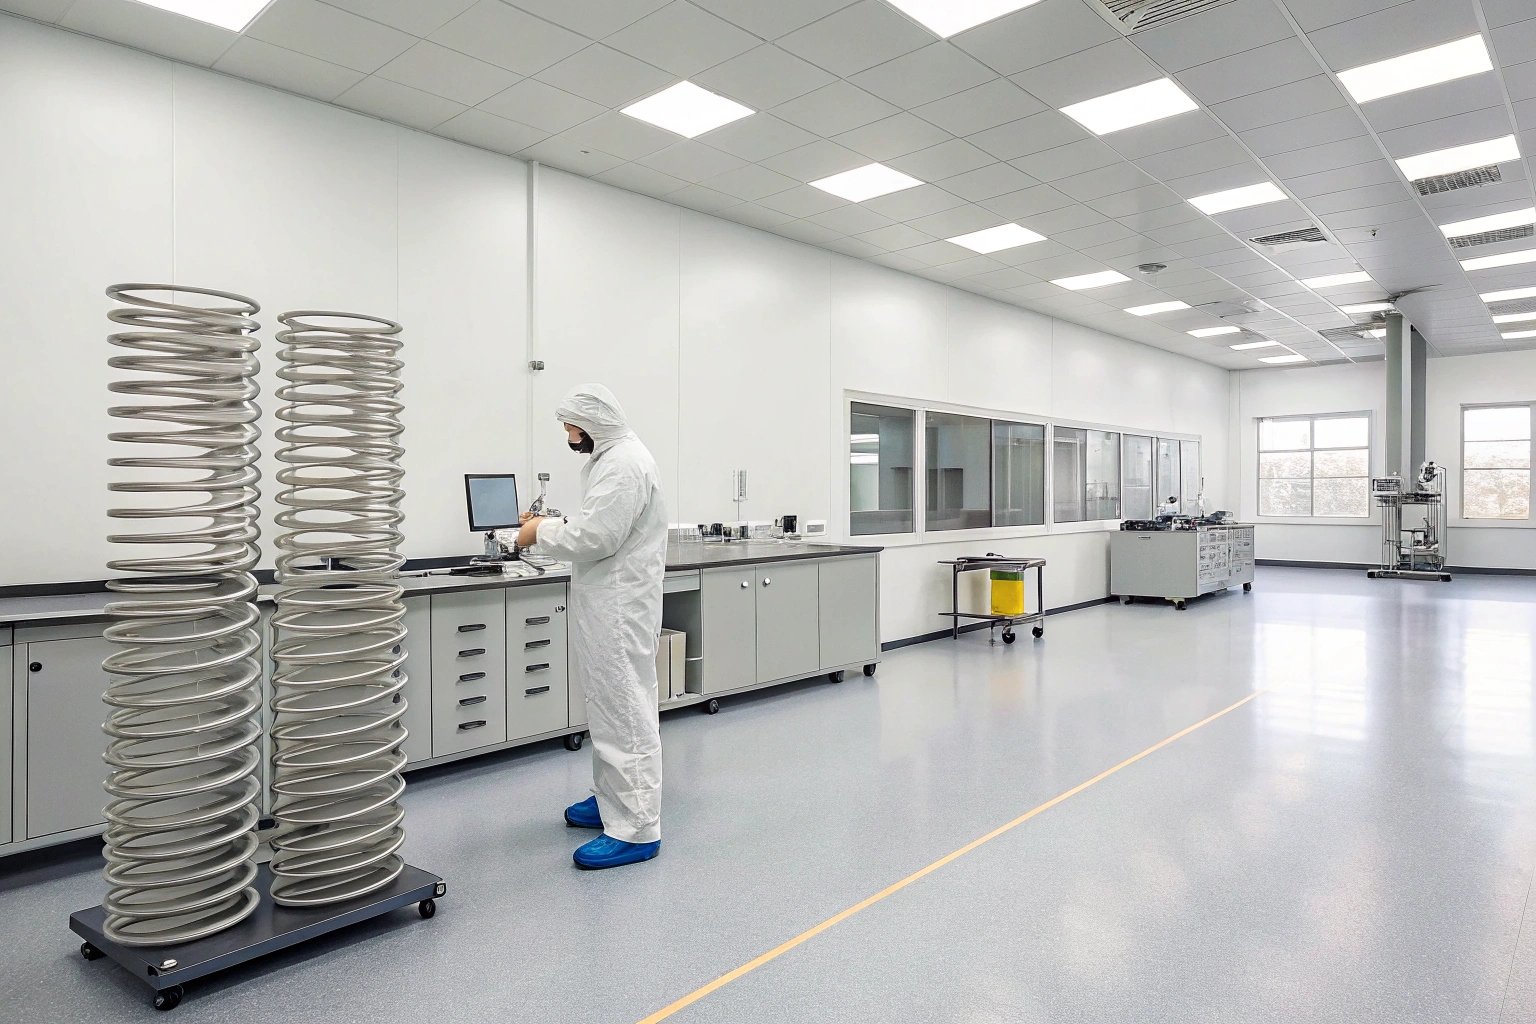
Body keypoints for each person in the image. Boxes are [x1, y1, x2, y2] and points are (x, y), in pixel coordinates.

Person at [517, 384, 668, 870]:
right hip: (609, 603)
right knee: (609, 706)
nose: (566, 433)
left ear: (591, 423)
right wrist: (549, 525)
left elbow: (598, 536)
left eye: (569, 424)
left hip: (619, 608)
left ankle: (636, 826)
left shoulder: (624, 463)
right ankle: (611, 799)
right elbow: (600, 522)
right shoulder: (610, 460)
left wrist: (537, 533)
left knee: (624, 708)